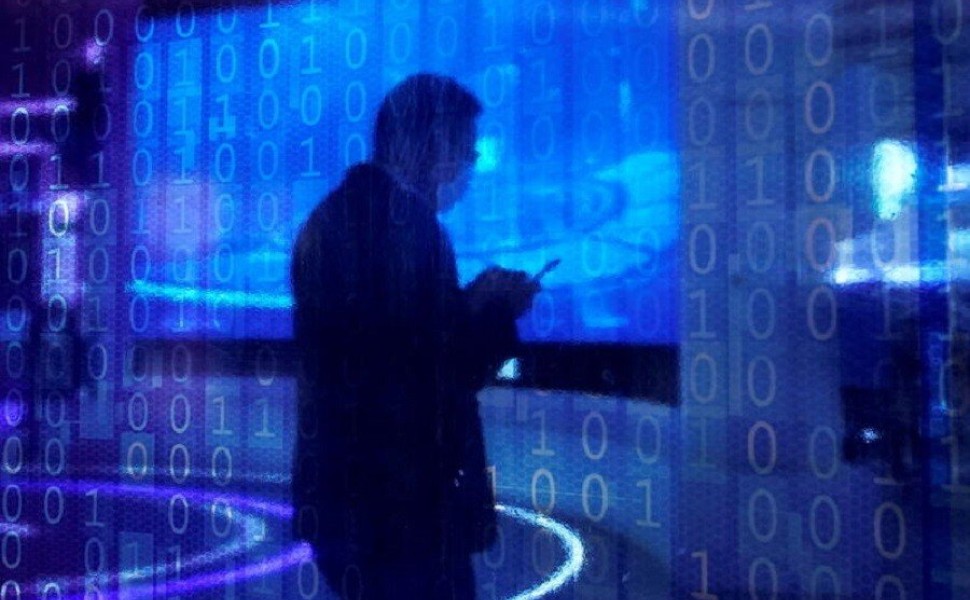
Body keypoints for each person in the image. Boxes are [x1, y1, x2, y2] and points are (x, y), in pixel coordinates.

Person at [290, 73, 540, 599]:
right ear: (425, 144)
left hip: (344, 502)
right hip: (404, 512)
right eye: (465, 153)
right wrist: (500, 312)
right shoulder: (412, 228)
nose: (468, 170)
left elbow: (388, 341)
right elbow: (441, 373)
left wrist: (463, 303)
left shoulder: (331, 216)